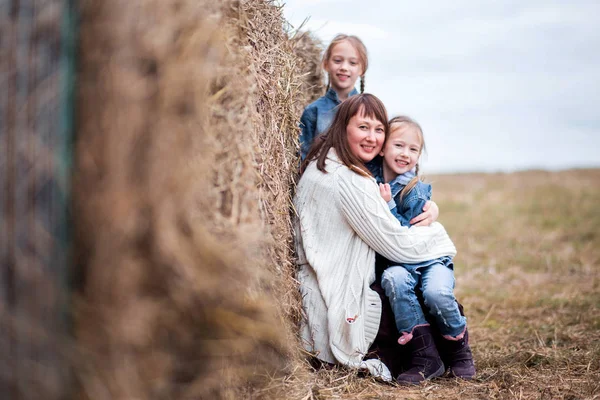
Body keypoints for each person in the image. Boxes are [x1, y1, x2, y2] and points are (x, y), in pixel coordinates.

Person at [294, 94, 456, 383]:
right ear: (343, 127)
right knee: (411, 290)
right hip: (339, 293)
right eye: (363, 127)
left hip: (322, 279)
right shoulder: (349, 180)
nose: (372, 137)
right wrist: (439, 235)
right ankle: (433, 357)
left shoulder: (326, 161)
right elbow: (397, 244)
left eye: (379, 129)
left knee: (408, 285)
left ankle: (437, 354)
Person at [377, 116, 476, 383]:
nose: (405, 154)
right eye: (399, 145)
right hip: (400, 264)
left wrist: (387, 207)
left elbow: (404, 235)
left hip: (430, 260)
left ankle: (459, 352)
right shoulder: (370, 180)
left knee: (436, 292)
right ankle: (425, 356)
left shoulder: (414, 191)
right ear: (382, 146)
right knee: (393, 279)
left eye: (413, 149)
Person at [299, 34, 368, 161]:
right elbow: (303, 158)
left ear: (361, 69)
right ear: (326, 64)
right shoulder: (313, 111)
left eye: (352, 63)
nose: (344, 67)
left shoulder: (369, 112)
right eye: (337, 61)